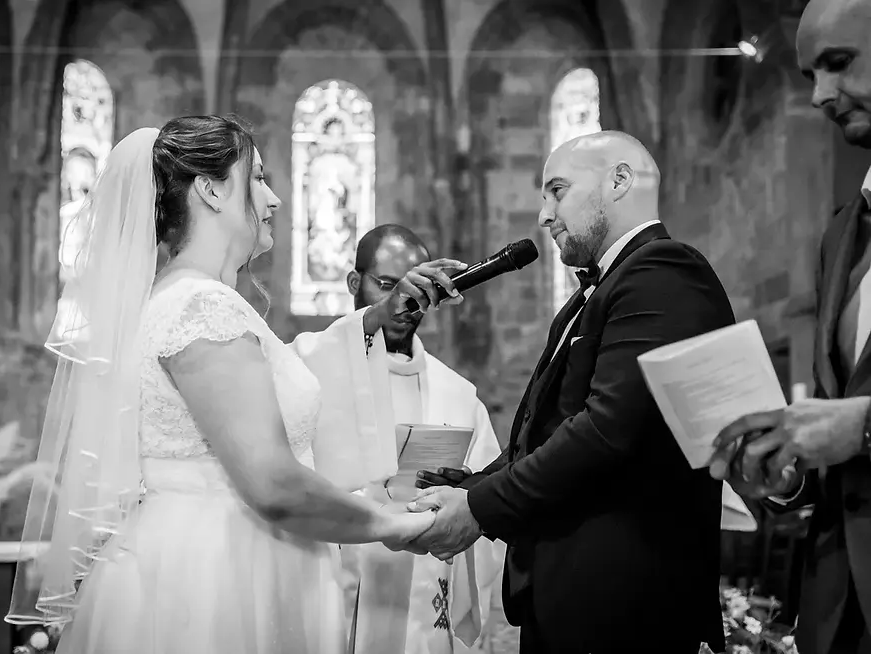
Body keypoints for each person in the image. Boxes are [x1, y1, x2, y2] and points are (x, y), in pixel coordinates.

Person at [3, 116, 462, 653]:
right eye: (259, 178)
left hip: (216, 556)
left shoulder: (186, 300)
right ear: (212, 189)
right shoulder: (203, 309)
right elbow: (271, 482)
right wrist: (394, 525)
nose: (273, 199)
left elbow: (286, 401)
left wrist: (375, 316)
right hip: (218, 577)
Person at [405, 131, 733, 653]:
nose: (544, 215)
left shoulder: (665, 270)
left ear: (620, 181)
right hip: (574, 596)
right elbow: (547, 430)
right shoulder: (590, 296)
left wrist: (481, 509)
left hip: (626, 606)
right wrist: (473, 487)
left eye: (557, 190)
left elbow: (606, 431)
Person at [710, 2, 871, 652]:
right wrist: (791, 471)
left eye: (838, 64)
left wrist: (862, 428)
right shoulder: (841, 234)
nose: (818, 96)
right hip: (839, 606)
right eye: (809, 72)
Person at [308, 224, 505, 654]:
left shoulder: (459, 396)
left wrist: (466, 489)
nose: (406, 301)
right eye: (387, 285)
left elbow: (488, 520)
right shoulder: (312, 375)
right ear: (353, 282)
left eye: (420, 288)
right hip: (337, 586)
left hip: (421, 595)